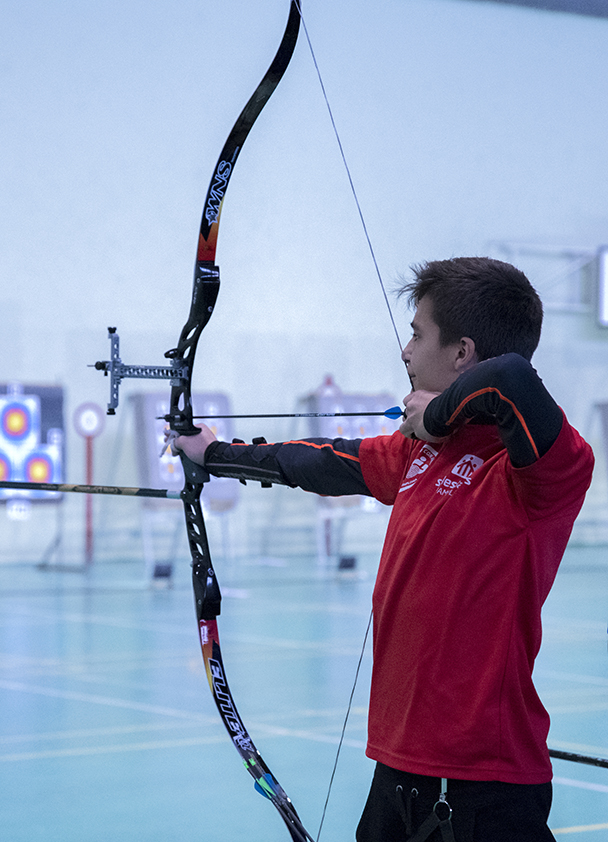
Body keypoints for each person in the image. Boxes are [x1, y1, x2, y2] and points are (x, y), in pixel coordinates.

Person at [173, 257, 594, 842]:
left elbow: (514, 382)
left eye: (418, 334)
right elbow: (321, 460)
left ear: (462, 353)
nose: (405, 350)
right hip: (398, 766)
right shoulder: (420, 454)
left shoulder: (542, 470)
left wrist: (441, 413)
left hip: (482, 782)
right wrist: (215, 454)